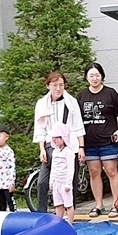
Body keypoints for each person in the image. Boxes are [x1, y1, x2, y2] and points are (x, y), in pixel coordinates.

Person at [77, 63, 118, 219]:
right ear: (86, 77)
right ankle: (99, 204)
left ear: (102, 76)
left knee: (112, 171)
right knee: (94, 173)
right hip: (89, 142)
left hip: (108, 141)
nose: (94, 78)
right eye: (91, 75)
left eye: (97, 75)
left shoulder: (110, 93)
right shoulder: (81, 96)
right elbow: (76, 120)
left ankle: (117, 204)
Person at [34, 72, 86, 214]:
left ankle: (70, 214)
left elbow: (78, 126)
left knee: (70, 180)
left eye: (61, 85)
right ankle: (41, 213)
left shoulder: (71, 102)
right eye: (54, 85)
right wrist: (42, 149)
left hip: (70, 145)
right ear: (48, 86)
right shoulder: (42, 104)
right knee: (43, 181)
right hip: (51, 145)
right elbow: (40, 128)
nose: (58, 88)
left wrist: (81, 147)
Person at [47, 123, 78, 225]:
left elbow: (71, 168)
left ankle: (70, 223)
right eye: (53, 138)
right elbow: (53, 167)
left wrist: (68, 183)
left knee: (68, 204)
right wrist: (51, 181)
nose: (54, 140)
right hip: (56, 181)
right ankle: (58, 223)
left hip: (64, 182)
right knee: (58, 204)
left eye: (57, 137)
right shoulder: (55, 152)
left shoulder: (68, 152)